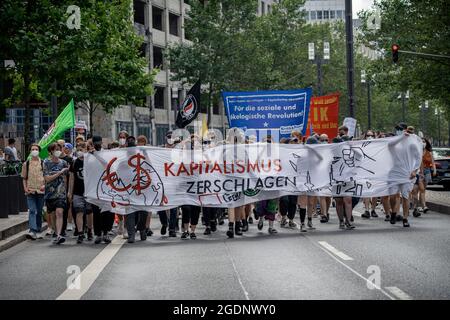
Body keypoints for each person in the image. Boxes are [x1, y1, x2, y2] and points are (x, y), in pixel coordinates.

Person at [90, 135, 116, 243]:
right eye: (94, 142)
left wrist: (97, 156)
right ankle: (98, 234)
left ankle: (106, 232)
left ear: (101, 142)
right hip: (94, 187)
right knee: (96, 212)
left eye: (98, 142)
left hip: (106, 186)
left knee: (108, 212)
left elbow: (110, 166)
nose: (97, 144)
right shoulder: (89, 155)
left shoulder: (106, 154)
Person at [43, 143, 69, 244]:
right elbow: (47, 179)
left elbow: (66, 178)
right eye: (56, 149)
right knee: (53, 214)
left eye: (59, 149)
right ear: (50, 151)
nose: (58, 151)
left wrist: (67, 192)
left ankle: (59, 235)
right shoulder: (46, 162)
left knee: (59, 212)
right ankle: (55, 231)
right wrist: (59, 172)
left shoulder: (63, 163)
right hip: (50, 193)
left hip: (61, 193)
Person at [68, 142, 93, 244]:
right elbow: (72, 178)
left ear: (86, 150)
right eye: (78, 150)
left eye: (82, 149)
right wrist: (70, 191)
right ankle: (80, 233)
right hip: (77, 192)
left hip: (89, 192)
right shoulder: (74, 163)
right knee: (79, 212)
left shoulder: (91, 161)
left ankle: (90, 230)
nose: (79, 152)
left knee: (89, 212)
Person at [124, 136, 148, 243]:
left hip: (142, 190)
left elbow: (150, 167)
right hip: (129, 191)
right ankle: (131, 234)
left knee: (143, 213)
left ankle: (142, 228)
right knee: (130, 213)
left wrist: (146, 153)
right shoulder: (123, 162)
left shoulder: (142, 159)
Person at [21, 144, 46, 240]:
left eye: (36, 149)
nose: (34, 150)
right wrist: (25, 188)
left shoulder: (43, 163)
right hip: (30, 190)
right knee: (32, 210)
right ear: (30, 151)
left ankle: (39, 230)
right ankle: (32, 230)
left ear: (39, 151)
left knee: (39, 211)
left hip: (41, 190)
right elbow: (24, 178)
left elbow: (46, 177)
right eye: (32, 149)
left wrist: (44, 185)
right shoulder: (26, 164)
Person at [361, 130, 378, 219]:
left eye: (371, 135)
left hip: (375, 171)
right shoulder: (362, 146)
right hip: (365, 171)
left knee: (375, 192)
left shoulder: (377, 146)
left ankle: (373, 209)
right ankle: (367, 210)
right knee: (367, 191)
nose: (369, 137)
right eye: (368, 135)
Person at [418, 138, 436, 213]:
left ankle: (421, 206)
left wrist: (434, 170)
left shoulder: (429, 152)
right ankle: (424, 206)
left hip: (427, 171)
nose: (423, 143)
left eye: (424, 141)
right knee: (421, 189)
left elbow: (433, 162)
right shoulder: (417, 151)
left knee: (423, 190)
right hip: (419, 172)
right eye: (421, 142)